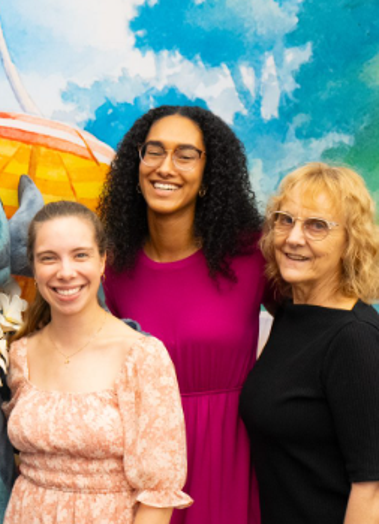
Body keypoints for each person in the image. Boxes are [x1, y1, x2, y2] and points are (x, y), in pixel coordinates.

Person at [99, 105, 269, 524]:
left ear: (209, 175)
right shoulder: (112, 267)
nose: (165, 167)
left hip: (233, 457)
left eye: (185, 155)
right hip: (146, 464)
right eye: (154, 151)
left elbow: (311, 330)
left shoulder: (253, 254)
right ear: (137, 166)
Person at [3, 200, 192, 524]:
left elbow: (158, 497)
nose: (65, 272)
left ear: (103, 260)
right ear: (33, 267)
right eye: (49, 258)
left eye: (80, 255)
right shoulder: (19, 354)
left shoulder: (142, 356)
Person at [239, 163, 379, 523]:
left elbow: (373, 490)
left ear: (351, 242)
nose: (294, 238)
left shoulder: (355, 339)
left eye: (317, 226)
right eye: (285, 220)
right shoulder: (291, 314)